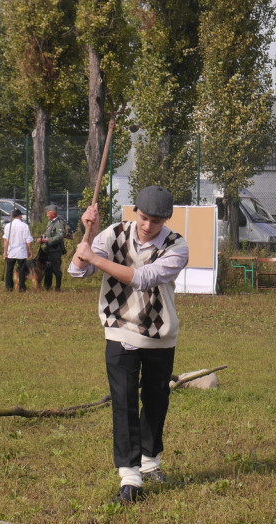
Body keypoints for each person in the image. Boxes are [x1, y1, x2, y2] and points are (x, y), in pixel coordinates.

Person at [68, 186, 189, 505]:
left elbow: (143, 278)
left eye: (156, 221)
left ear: (167, 220)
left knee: (155, 399)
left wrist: (94, 255)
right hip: (118, 327)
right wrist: (89, 235)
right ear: (136, 211)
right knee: (123, 401)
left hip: (159, 332)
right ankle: (130, 477)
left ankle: (150, 461)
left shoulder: (178, 246)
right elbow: (78, 270)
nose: (148, 226)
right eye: (144, 218)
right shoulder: (113, 233)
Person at [37, 204, 69, 291]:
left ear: (53, 213)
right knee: (48, 269)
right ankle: (47, 287)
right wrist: (42, 238)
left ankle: (57, 288)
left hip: (55, 250)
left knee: (56, 269)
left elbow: (60, 236)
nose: (46, 215)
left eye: (48, 213)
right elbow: (47, 233)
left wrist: (48, 240)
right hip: (48, 249)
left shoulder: (59, 223)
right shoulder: (50, 222)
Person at [2, 209, 34, 292]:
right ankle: (21, 287)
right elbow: (28, 240)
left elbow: (6, 240)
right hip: (21, 251)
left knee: (9, 269)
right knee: (21, 270)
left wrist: (5, 252)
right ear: (19, 216)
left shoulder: (8, 226)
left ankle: (9, 287)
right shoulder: (24, 226)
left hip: (11, 251)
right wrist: (30, 249)